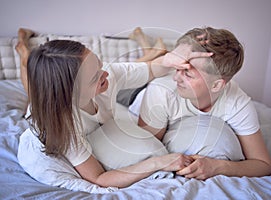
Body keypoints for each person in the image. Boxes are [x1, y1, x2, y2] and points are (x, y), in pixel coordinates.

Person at [15, 28, 211, 188]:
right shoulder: (65, 127)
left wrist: (171, 58)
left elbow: (151, 69)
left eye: (100, 65)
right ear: (70, 95)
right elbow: (99, 178)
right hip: (46, 117)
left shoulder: (106, 74)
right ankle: (24, 53)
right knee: (31, 93)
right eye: (95, 78)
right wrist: (160, 162)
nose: (106, 75)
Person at [135, 27, 271, 180]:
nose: (176, 78)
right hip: (137, 92)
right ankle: (148, 51)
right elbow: (147, 156)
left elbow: (263, 164)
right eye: (177, 68)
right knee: (128, 81)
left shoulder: (237, 103)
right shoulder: (161, 91)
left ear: (216, 85)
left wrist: (218, 166)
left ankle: (153, 51)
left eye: (187, 73)